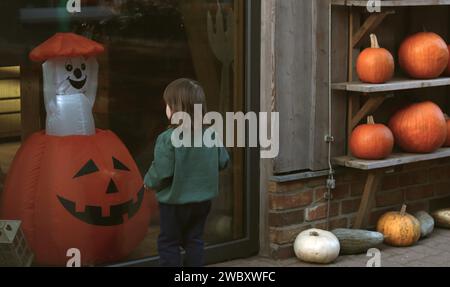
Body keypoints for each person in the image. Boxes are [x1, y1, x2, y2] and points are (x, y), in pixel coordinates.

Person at [144, 78, 230, 267]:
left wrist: (148, 182)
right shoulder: (210, 134)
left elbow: (162, 171)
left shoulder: (167, 139)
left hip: (174, 203)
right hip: (202, 202)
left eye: (167, 104)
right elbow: (224, 161)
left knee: (169, 242)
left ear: (174, 110)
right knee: (195, 240)